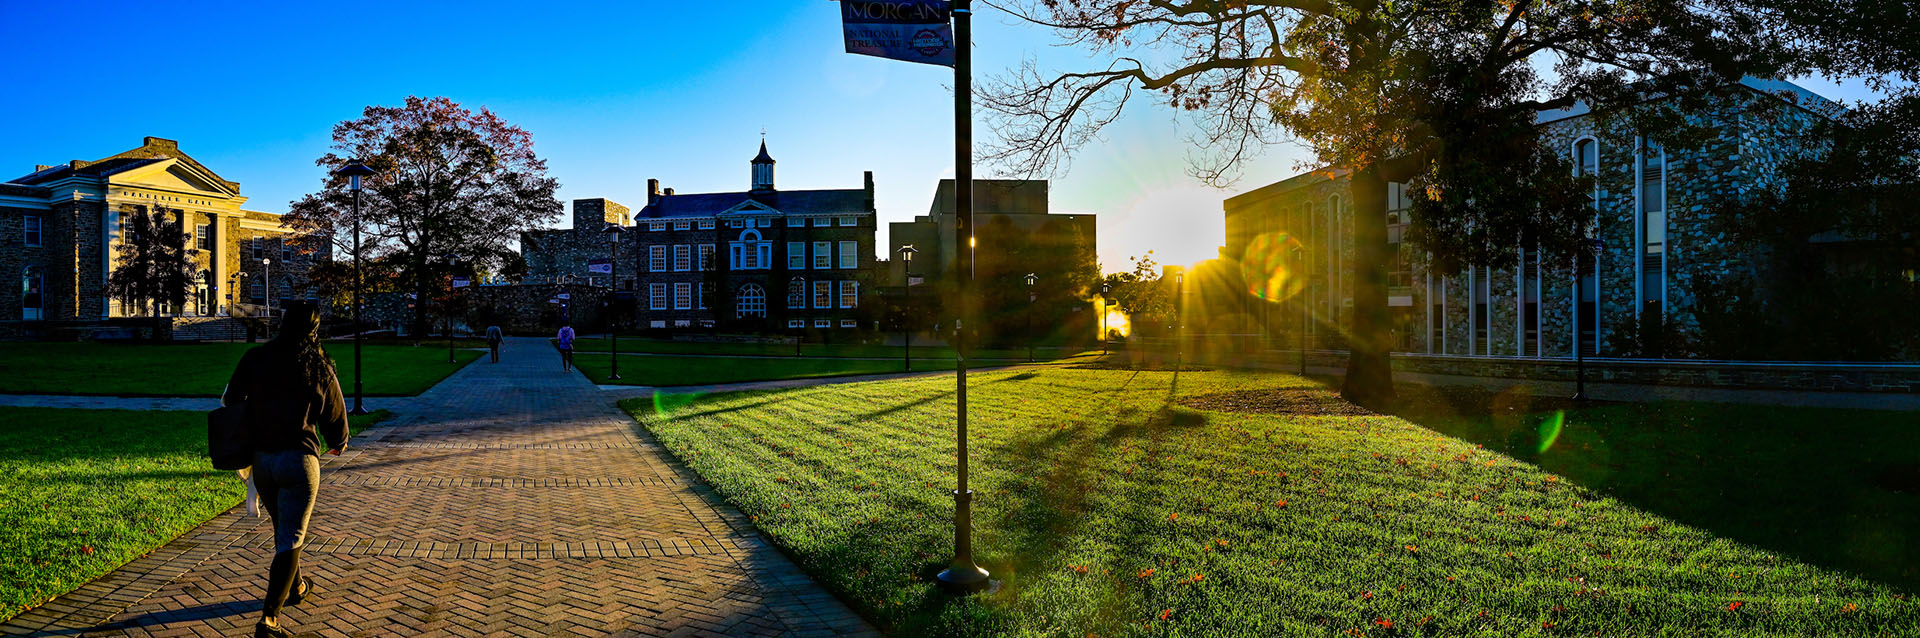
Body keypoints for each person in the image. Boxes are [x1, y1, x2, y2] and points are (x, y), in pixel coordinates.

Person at [222, 300, 347, 638]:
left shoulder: (255, 358)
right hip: (300, 460)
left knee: (286, 530)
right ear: (314, 329)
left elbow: (230, 400)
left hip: (263, 461)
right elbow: (335, 415)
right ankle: (269, 618)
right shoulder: (318, 365)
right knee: (291, 536)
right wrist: (339, 440)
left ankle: (296, 586)